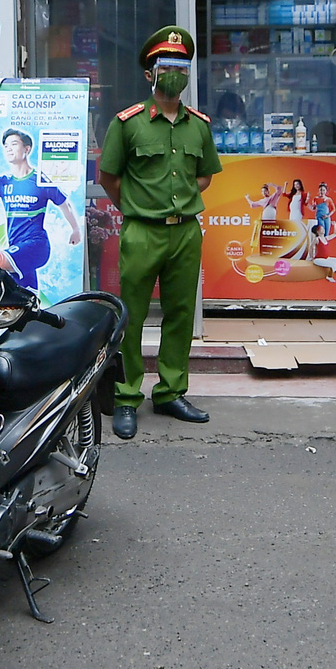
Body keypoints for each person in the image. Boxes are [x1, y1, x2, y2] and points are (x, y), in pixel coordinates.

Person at [96, 26, 223, 438]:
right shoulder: (127, 124)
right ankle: (127, 396)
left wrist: (179, 202)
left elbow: (203, 177)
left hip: (186, 233)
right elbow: (109, 177)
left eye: (180, 67)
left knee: (181, 314)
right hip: (142, 232)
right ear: (149, 74)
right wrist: (136, 209)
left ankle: (170, 392)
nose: (174, 73)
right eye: (165, 66)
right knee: (130, 317)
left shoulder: (198, 126)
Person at [0, 128, 81, 291]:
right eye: (6, 146)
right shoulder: (3, 182)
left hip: (36, 245)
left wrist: (75, 230)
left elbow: (65, 204)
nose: (8, 148)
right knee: (23, 300)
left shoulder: (40, 179)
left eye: (14, 144)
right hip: (17, 248)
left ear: (26, 149)